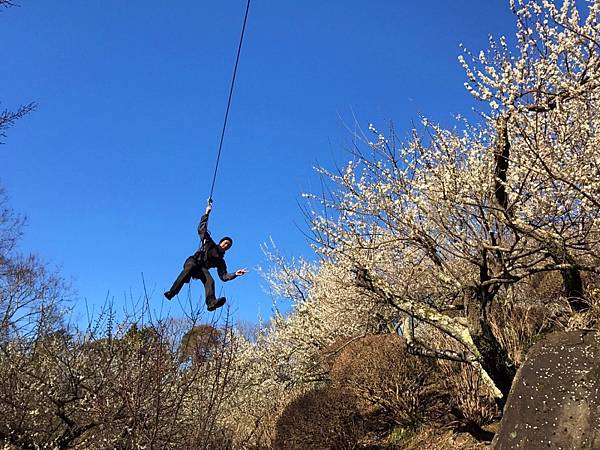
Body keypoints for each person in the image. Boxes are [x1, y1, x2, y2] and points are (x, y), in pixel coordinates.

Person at [164, 199, 247, 311]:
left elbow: (223, 276)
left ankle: (211, 302)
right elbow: (201, 229)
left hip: (201, 269)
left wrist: (235, 274)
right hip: (193, 261)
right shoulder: (209, 243)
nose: (226, 245)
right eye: (226, 243)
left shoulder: (220, 261)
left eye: (229, 246)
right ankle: (172, 292)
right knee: (191, 267)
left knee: (210, 281)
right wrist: (207, 212)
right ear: (221, 242)